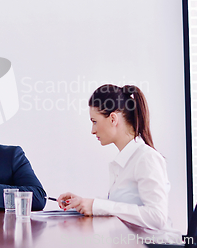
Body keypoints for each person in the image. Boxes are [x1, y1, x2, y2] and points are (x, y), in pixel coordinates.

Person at [57, 84, 172, 231]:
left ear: (113, 119)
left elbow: (157, 217)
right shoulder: (127, 160)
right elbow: (123, 205)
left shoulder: (146, 158)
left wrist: (97, 206)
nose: (92, 130)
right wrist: (83, 203)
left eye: (94, 121)